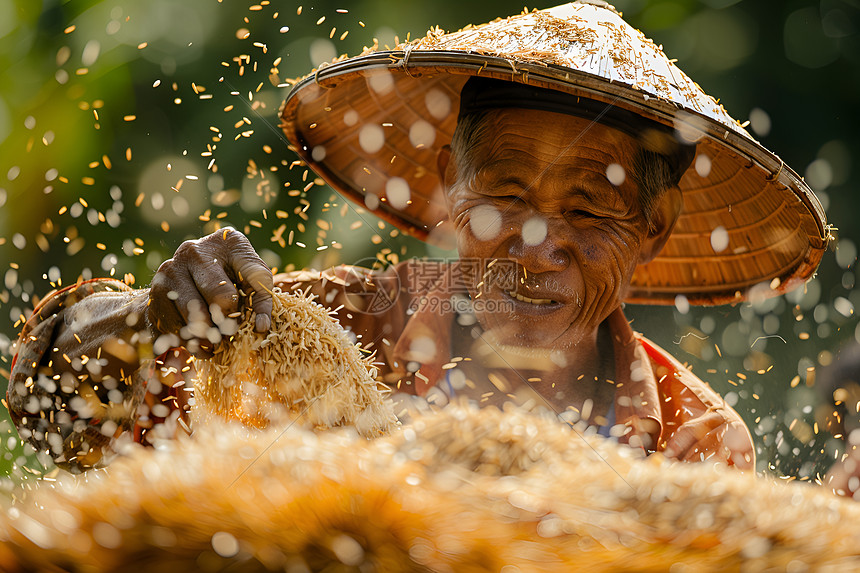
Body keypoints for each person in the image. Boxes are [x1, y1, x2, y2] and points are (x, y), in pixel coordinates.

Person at [7, 1, 828, 473]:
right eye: (504, 192)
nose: (536, 243)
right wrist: (147, 320)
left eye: (588, 209)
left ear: (650, 229)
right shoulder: (339, 328)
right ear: (448, 186)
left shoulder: (693, 442)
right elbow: (52, 414)